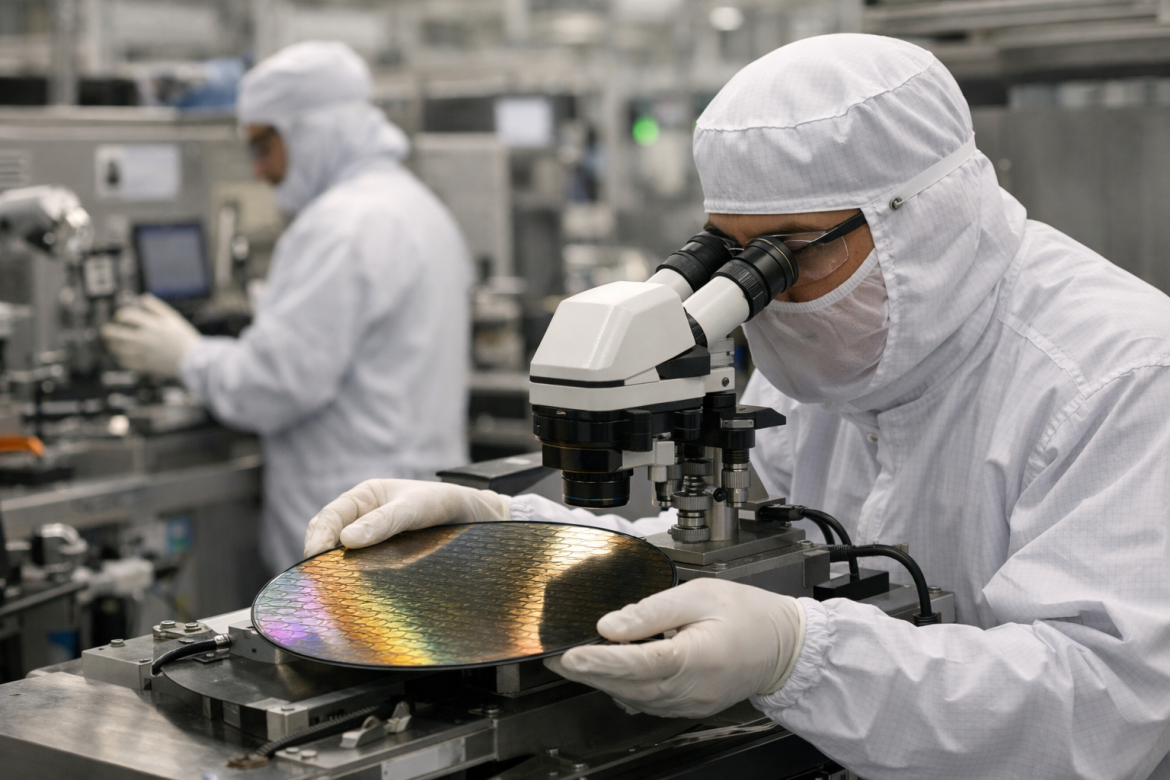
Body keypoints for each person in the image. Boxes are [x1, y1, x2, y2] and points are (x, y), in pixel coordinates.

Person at [300, 34, 1170, 779]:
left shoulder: (1120, 373)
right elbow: (733, 548)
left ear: (919, 219)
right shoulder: (831, 342)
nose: (762, 292)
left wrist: (799, 656)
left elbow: (1103, 708)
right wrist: (509, 536)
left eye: (789, 253)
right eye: (730, 250)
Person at [104, 41, 472, 575]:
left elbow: (272, 386)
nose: (259, 170)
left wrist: (187, 356)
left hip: (357, 532)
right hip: (421, 512)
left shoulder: (338, 226)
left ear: (311, 131)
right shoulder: (417, 206)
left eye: (263, 145)